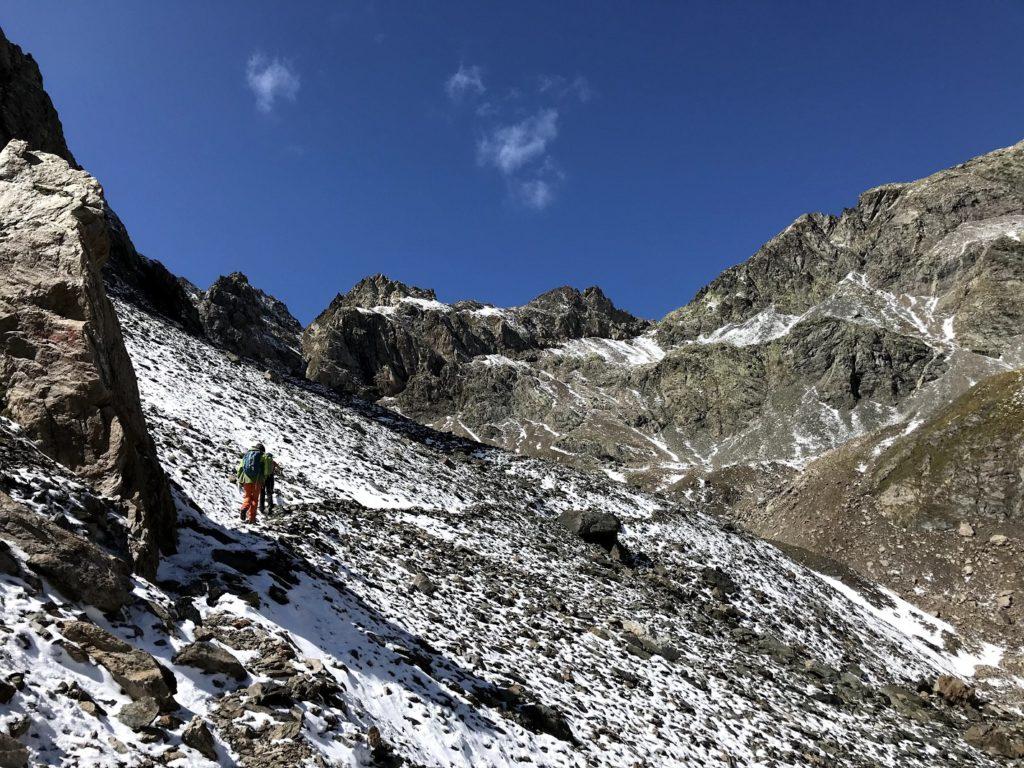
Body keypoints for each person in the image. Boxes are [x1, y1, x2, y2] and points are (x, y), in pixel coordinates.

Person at [236, 442, 266, 523]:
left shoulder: (247, 454)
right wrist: (263, 479)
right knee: (255, 499)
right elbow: (265, 470)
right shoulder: (262, 456)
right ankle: (252, 519)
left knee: (247, 496)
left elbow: (240, 468)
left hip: (247, 479)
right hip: (257, 480)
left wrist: (240, 478)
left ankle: (244, 508)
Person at [259, 450, 277, 515]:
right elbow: (277, 467)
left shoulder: (263, 459)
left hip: (263, 478)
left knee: (262, 493)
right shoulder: (272, 461)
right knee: (269, 491)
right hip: (270, 477)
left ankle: (261, 508)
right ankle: (270, 505)